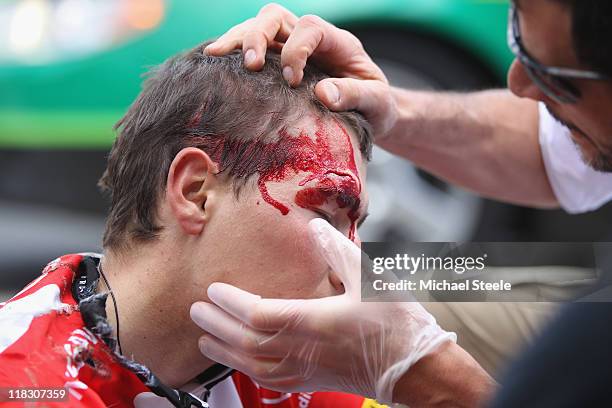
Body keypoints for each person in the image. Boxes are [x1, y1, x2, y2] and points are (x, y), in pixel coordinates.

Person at [189, 0, 612, 406]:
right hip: (595, 266)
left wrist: (428, 377)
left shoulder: (588, 339)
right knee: (396, 285)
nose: (518, 84)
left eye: (554, 77)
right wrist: (389, 106)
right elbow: (551, 148)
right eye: (519, 40)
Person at [0, 42, 403, 407]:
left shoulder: (307, 378)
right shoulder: (21, 382)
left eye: (354, 228)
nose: (354, 270)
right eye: (326, 217)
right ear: (195, 192)